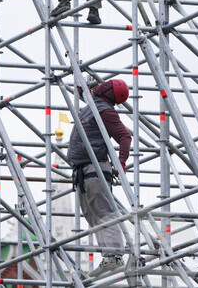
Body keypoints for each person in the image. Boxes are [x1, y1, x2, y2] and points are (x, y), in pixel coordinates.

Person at [65, 78, 132, 278]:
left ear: (109, 91)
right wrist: (83, 90)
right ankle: (108, 255)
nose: (102, 86)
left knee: (104, 212)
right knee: (92, 214)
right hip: (83, 170)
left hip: (95, 168)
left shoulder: (106, 111)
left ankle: (115, 255)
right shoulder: (95, 104)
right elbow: (89, 96)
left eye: (106, 85)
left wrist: (121, 161)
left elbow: (125, 136)